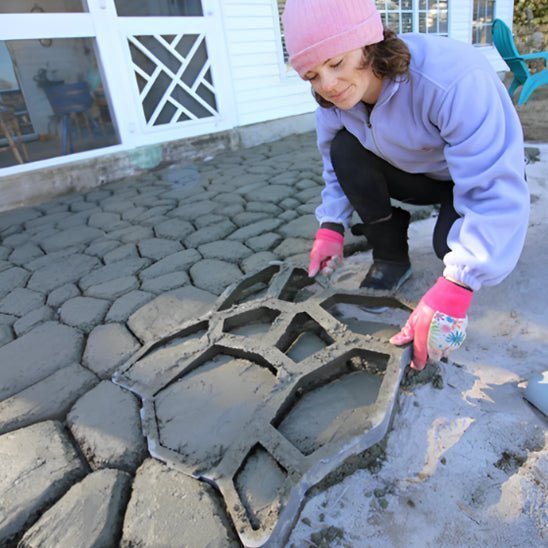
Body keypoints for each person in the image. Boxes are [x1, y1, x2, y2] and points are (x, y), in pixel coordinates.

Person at [282, 0, 529, 370]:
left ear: (370, 43)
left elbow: (494, 183)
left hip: (476, 174)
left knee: (451, 249)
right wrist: (330, 226)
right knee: (345, 149)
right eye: (312, 75)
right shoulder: (333, 99)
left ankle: (463, 246)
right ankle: (391, 258)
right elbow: (334, 166)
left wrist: (459, 284)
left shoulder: (453, 78)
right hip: (419, 175)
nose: (327, 85)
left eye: (336, 63)